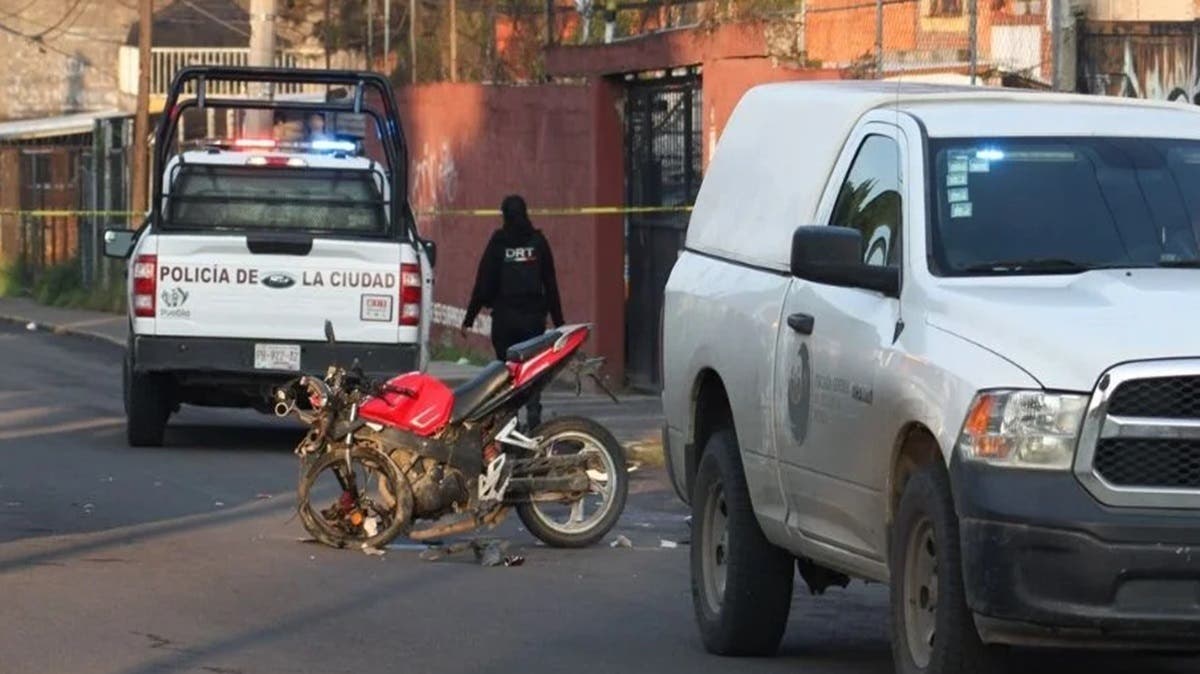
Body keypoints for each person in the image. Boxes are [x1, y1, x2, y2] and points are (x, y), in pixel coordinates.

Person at [461, 195, 565, 430]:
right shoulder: (538, 242)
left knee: (506, 372)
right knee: (533, 369)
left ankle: (511, 421)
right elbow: (550, 284)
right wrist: (559, 322)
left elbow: (484, 282)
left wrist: (470, 318)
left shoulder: (499, 242)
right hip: (533, 321)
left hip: (505, 320)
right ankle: (534, 413)